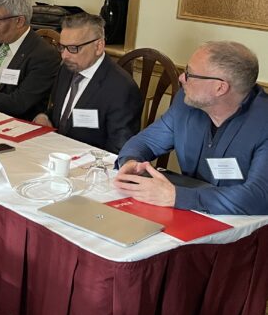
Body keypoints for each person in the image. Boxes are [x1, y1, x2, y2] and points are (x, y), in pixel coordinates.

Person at [114, 41, 268, 215]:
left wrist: (176, 196)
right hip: (189, 214)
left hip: (244, 228)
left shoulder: (263, 122)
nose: (181, 78)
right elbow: (146, 141)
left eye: (190, 74)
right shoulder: (186, 104)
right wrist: (130, 161)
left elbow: (259, 198)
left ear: (220, 87)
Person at [32, 13, 142, 152]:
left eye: (73, 48)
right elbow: (60, 112)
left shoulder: (122, 89)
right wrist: (44, 116)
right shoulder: (67, 69)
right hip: (56, 152)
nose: (65, 55)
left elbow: (119, 150)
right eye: (62, 47)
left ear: (98, 46)